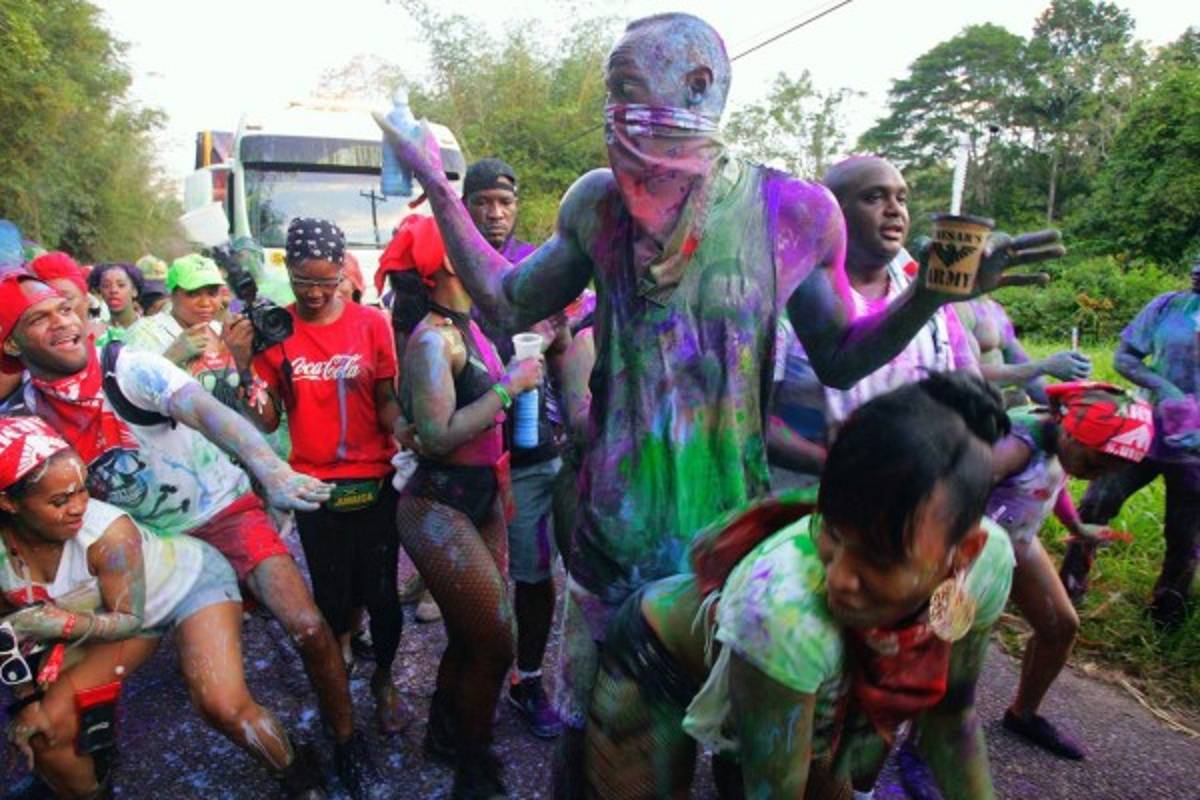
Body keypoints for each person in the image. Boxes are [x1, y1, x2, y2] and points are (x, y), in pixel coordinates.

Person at [375, 13, 1062, 790]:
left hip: (730, 543)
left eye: (627, 87)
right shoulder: (599, 203)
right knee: (602, 751)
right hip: (611, 536)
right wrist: (436, 185)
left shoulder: (793, 211)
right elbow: (506, 300)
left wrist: (926, 298)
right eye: (611, 91)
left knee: (748, 755)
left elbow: (839, 355)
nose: (614, 110)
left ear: (699, 88)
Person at [0, 274, 375, 796]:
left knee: (308, 627)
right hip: (139, 544)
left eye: (64, 309)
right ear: (11, 344)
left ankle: (346, 736)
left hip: (222, 512)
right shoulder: (22, 413)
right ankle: (82, 762)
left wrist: (271, 469)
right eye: (39, 318)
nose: (62, 322)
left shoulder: (127, 366)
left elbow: (209, 413)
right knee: (76, 679)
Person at [581, 372, 1015, 799]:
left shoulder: (988, 568)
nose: (839, 578)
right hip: (660, 660)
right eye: (833, 533)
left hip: (781, 675)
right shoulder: (785, 611)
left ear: (965, 553)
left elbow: (950, 720)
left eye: (879, 560)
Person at [0, 417, 326, 799]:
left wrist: (59, 625)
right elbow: (9, 634)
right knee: (43, 731)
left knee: (222, 705)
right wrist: (26, 701)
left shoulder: (108, 533)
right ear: (9, 502)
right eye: (60, 501)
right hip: (110, 617)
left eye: (83, 491)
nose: (79, 508)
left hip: (188, 585)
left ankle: (298, 774)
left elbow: (128, 620)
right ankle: (94, 785)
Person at [234, 218, 407, 737]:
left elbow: (385, 399)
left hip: (374, 480)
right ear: (287, 270)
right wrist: (243, 368)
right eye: (303, 281)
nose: (314, 292)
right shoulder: (276, 332)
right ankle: (338, 684)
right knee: (330, 596)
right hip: (313, 486)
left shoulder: (372, 324)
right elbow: (267, 421)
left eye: (326, 280)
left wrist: (410, 431)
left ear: (343, 272)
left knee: (382, 595)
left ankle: (385, 679)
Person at [390, 212, 541, 798]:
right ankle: (473, 771)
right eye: (472, 247)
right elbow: (435, 436)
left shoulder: (468, 326)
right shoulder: (433, 339)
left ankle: (445, 734)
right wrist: (510, 387)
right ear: (450, 261)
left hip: (481, 500)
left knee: (468, 633)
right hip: (438, 507)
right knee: (497, 644)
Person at [980, 382, 1153, 761]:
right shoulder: (1016, 445)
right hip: (971, 543)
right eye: (1093, 465)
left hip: (1017, 541)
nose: (1095, 476)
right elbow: (958, 489)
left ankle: (1023, 715)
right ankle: (922, 743)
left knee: (1061, 626)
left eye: (1107, 470)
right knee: (953, 646)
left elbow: (1053, 485)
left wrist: (1077, 528)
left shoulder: (1067, 441)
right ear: (1070, 432)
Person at [462, 157, 568, 739]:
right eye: (482, 202)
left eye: (504, 202)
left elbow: (571, 335)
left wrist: (550, 338)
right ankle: (468, 682)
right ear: (464, 208)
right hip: (464, 452)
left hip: (531, 448)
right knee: (472, 584)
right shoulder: (445, 264)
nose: (495, 214)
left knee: (532, 573)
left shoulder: (539, 265)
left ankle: (528, 679)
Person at [1061, 257, 1200, 627]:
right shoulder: (1168, 306)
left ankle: (1167, 614)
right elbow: (1125, 357)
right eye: (1196, 262)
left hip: (1194, 450)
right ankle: (1069, 588)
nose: (1197, 270)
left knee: (1185, 532)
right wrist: (1161, 385)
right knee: (1096, 501)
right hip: (1144, 432)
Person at [815, 156, 980, 427]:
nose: (895, 210)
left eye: (901, 199)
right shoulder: (792, 297)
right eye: (874, 198)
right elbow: (756, 415)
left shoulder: (928, 295)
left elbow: (967, 380)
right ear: (833, 212)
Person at [125, 254, 246, 411]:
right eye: (193, 293)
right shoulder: (145, 332)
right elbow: (131, 397)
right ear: (172, 295)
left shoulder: (219, 329)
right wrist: (172, 357)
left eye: (212, 293)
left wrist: (241, 355)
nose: (205, 303)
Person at [955, 296, 1091, 406]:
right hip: (973, 413)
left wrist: (1067, 402)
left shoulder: (994, 309)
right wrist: (1044, 366)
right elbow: (967, 376)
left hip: (1004, 409)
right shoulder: (955, 309)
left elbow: (1030, 378)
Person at [86, 263, 143, 346]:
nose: (113, 290)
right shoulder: (92, 332)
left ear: (134, 291)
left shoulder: (153, 332)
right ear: (100, 291)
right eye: (106, 285)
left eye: (121, 285)